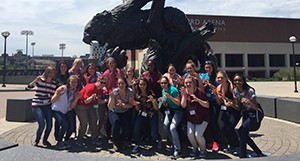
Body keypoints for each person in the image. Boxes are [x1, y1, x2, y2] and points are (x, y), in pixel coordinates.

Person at [232, 74, 265, 158]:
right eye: (235, 80)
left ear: (243, 81)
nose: (237, 82)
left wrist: (249, 102)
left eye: (239, 80)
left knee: (241, 132)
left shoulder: (250, 91)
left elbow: (256, 107)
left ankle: (244, 155)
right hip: (245, 113)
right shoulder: (235, 91)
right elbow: (238, 107)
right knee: (243, 133)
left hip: (253, 113)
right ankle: (252, 153)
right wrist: (231, 104)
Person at [180, 75, 210, 158]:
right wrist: (184, 96)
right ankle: (195, 148)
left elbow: (207, 105)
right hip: (191, 118)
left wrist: (197, 100)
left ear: (193, 83)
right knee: (190, 134)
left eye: (190, 82)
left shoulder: (200, 92)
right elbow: (183, 106)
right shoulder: (184, 92)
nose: (188, 84)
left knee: (198, 134)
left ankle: (203, 149)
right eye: (186, 83)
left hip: (203, 117)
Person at [27, 66, 56, 147]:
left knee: (49, 125)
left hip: (47, 105)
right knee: (42, 124)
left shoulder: (53, 84)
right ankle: (37, 140)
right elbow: (27, 88)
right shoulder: (40, 81)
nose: (52, 74)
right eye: (50, 72)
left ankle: (45, 140)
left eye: (53, 72)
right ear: (47, 72)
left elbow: (53, 95)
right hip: (37, 104)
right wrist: (35, 81)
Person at [130, 78, 162, 153]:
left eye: (144, 84)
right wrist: (135, 104)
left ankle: (159, 140)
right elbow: (138, 109)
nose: (142, 86)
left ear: (147, 85)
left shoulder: (151, 93)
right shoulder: (137, 94)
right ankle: (137, 144)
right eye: (140, 84)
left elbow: (156, 108)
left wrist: (153, 101)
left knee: (154, 133)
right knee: (136, 127)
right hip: (143, 114)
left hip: (152, 114)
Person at [75, 76, 105, 147]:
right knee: (84, 123)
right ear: (97, 81)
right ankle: (79, 140)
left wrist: (105, 101)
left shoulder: (100, 90)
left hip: (90, 106)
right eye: (101, 82)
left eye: (104, 83)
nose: (102, 84)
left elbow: (98, 101)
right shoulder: (90, 87)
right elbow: (85, 101)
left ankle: (94, 138)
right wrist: (92, 97)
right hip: (81, 105)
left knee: (94, 121)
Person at [51, 75, 79, 150]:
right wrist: (58, 94)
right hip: (57, 110)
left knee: (72, 126)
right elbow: (52, 100)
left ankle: (66, 140)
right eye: (72, 82)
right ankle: (59, 142)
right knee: (65, 125)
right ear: (69, 82)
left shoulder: (74, 91)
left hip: (67, 110)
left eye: (75, 82)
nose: (74, 83)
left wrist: (76, 98)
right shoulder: (62, 88)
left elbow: (72, 106)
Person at [216, 71, 241, 154]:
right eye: (218, 78)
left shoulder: (231, 87)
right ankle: (231, 145)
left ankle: (237, 145)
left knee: (229, 127)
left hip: (235, 109)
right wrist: (217, 96)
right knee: (222, 127)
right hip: (226, 109)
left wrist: (227, 100)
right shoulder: (218, 87)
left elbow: (236, 102)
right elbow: (219, 103)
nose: (220, 79)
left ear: (225, 78)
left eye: (221, 78)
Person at [107, 77, 134, 151]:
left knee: (126, 128)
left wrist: (123, 105)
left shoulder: (129, 92)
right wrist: (112, 98)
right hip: (114, 111)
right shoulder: (114, 92)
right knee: (116, 123)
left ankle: (121, 141)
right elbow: (110, 107)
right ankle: (115, 142)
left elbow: (131, 104)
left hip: (124, 111)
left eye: (122, 83)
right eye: (119, 84)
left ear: (125, 84)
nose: (121, 85)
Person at [200, 60, 222, 152]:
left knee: (213, 121)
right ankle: (209, 141)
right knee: (206, 121)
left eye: (209, 67)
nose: (208, 69)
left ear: (213, 68)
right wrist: (204, 85)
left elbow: (219, 89)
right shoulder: (203, 76)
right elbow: (201, 88)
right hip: (206, 101)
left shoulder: (216, 77)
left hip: (214, 102)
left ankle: (216, 141)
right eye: (206, 67)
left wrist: (211, 85)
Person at [159, 76, 182, 159]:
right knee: (165, 126)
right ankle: (173, 144)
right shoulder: (163, 91)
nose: (163, 85)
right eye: (162, 83)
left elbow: (178, 103)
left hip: (178, 111)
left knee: (172, 127)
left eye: (165, 83)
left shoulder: (173, 90)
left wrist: (170, 97)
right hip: (170, 111)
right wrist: (163, 101)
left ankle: (177, 149)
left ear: (168, 83)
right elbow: (167, 104)